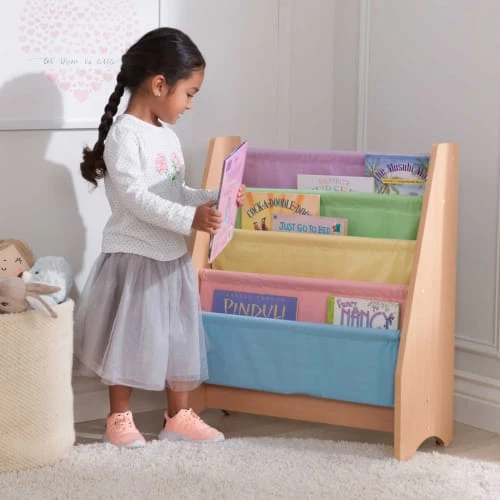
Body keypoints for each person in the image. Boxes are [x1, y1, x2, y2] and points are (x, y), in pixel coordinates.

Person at [74, 27, 244, 448]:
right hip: (135, 257)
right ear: (159, 84)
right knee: (128, 338)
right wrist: (190, 218)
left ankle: (179, 416)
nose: (190, 104)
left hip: (171, 256)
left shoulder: (167, 135)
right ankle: (119, 417)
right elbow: (136, 199)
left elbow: (174, 190)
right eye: (189, 93)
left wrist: (213, 197)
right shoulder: (125, 135)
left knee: (178, 336)